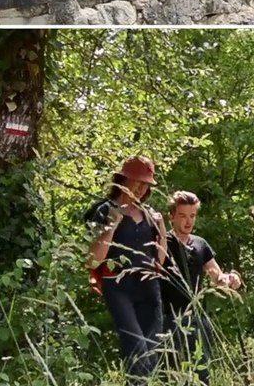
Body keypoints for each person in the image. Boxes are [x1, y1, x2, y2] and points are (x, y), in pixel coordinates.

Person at [86, 156, 168, 385]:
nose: (142, 189)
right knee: (135, 345)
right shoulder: (104, 209)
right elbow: (93, 261)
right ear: (123, 179)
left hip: (149, 287)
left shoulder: (150, 214)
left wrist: (161, 228)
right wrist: (112, 226)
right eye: (137, 182)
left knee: (152, 350)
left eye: (146, 184)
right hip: (118, 286)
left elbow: (160, 261)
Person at [160, 191, 243, 385]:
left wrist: (231, 278)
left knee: (201, 376)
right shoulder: (163, 243)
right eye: (182, 216)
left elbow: (217, 276)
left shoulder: (200, 244)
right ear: (172, 216)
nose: (188, 222)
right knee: (171, 375)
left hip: (197, 318)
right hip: (168, 318)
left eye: (192, 216)